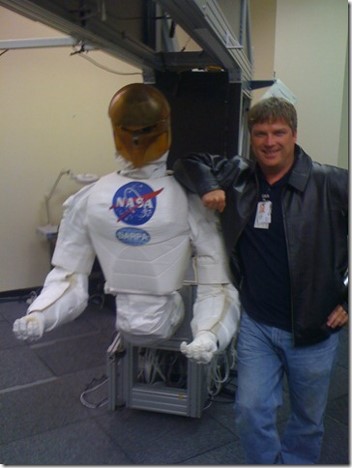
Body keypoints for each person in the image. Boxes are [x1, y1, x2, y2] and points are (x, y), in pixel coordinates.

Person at [173, 96, 348, 464]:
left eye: (279, 133)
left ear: (294, 135)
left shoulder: (329, 182)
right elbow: (187, 163)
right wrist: (207, 185)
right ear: (251, 138)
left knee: (307, 420)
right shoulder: (238, 177)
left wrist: (348, 297)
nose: (270, 142)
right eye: (261, 133)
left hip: (315, 329)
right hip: (258, 325)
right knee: (250, 411)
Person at [12, 83, 240, 365]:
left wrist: (209, 334)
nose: (138, 140)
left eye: (144, 131)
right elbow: (69, 276)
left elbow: (216, 283)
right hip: (134, 313)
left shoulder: (96, 197)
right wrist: (40, 315)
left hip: (165, 312)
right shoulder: (176, 197)